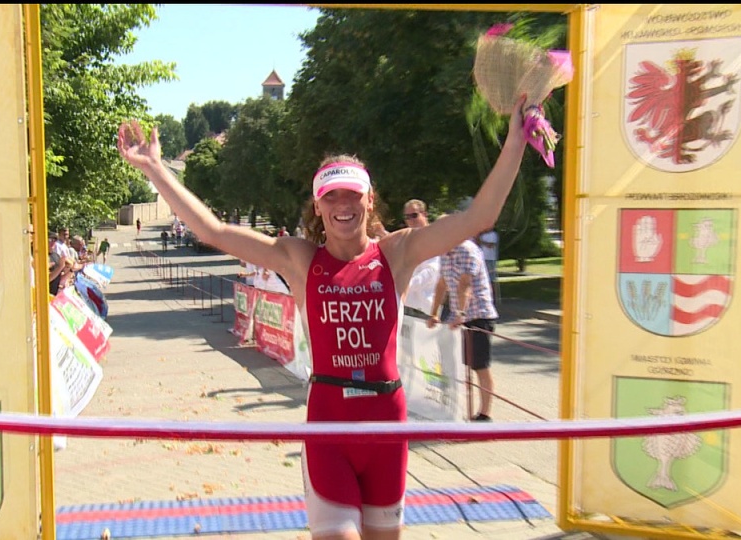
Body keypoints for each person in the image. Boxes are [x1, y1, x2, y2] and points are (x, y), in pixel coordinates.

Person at [117, 96, 526, 539]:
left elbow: (480, 216)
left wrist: (517, 140)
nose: (342, 204)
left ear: (369, 200)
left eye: (352, 193)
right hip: (330, 424)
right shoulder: (298, 259)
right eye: (331, 196)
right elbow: (212, 232)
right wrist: (154, 168)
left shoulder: (399, 252)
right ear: (318, 206)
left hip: (388, 424)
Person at [427, 234, 498, 422]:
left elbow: (464, 284)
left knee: (479, 365)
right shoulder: (445, 253)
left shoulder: (467, 249)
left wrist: (460, 313)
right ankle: (459, 411)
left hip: (478, 315)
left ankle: (485, 414)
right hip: (458, 316)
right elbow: (442, 284)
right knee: (457, 366)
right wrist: (434, 312)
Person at [400, 199, 439, 320]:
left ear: (425, 214)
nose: (411, 220)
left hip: (426, 308)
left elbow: (431, 272)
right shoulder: (408, 239)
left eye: (414, 215)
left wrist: (404, 285)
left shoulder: (434, 237)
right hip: (408, 306)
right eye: (407, 217)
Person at [476, 227, 500, 304]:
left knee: (491, 279)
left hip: (490, 259)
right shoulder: (482, 235)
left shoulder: (493, 235)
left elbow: (490, 245)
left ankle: (493, 298)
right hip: (482, 258)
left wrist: (481, 241)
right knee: (483, 279)